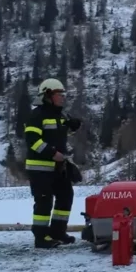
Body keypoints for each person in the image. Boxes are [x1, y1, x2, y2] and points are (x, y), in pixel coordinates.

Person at [24, 78, 82, 248]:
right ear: (48, 95)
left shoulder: (60, 115)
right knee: (44, 201)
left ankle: (57, 232)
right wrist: (52, 153)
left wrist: (74, 124)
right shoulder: (37, 116)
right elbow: (32, 141)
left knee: (65, 196)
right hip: (40, 168)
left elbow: (66, 127)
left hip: (58, 167)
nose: (63, 97)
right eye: (59, 94)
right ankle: (41, 238)